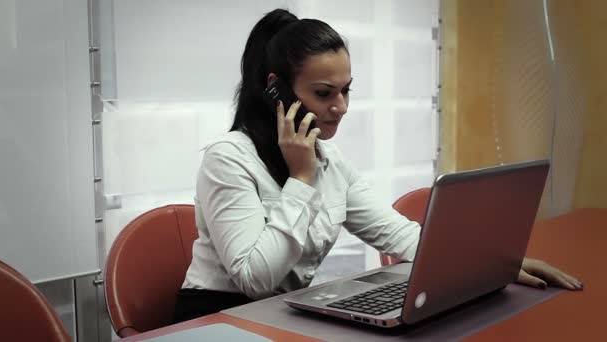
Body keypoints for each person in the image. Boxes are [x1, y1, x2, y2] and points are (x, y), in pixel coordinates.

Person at [173, 8, 583, 323]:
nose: (341, 107)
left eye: (346, 91)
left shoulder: (331, 165)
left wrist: (499, 263)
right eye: (323, 93)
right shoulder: (227, 159)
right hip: (215, 320)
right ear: (276, 90)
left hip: (277, 318)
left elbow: (399, 235)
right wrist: (300, 179)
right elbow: (255, 280)